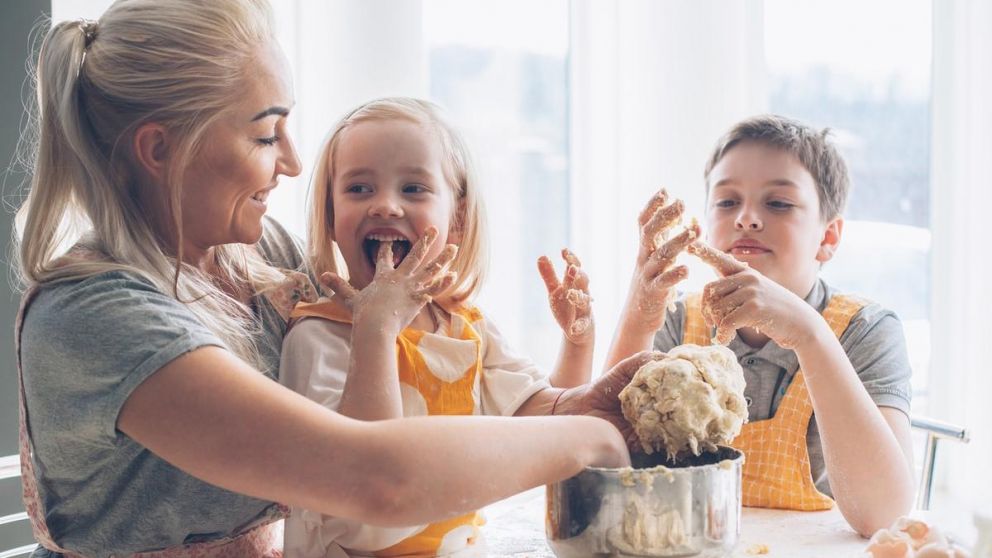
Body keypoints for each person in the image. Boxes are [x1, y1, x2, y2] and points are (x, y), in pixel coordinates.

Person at [12, 1, 648, 555]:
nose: (293, 163)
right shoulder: (95, 318)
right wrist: (590, 437)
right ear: (159, 150)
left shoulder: (259, 257)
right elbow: (375, 479)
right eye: (266, 135)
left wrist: (578, 401)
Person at [278, 97, 596, 557]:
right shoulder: (318, 335)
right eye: (359, 189)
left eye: (413, 189)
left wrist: (577, 343)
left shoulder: (466, 327)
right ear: (330, 214)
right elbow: (364, 499)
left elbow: (548, 431)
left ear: (458, 219)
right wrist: (376, 329)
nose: (385, 206)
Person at [606, 115, 915, 537]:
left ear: (828, 237)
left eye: (779, 204)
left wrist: (809, 334)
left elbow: (883, 516)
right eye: (727, 202)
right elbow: (604, 460)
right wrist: (639, 314)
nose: (747, 219)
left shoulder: (866, 330)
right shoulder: (676, 320)